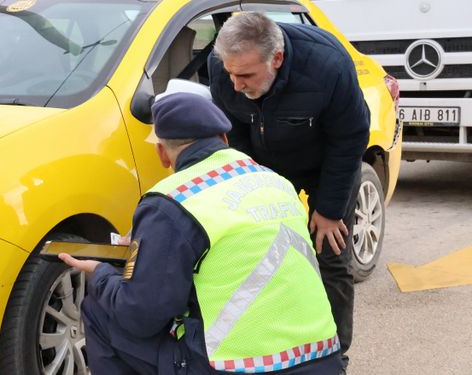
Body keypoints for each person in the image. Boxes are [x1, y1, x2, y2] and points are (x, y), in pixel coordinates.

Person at [59, 92, 343, 374]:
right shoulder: (276, 181)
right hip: (323, 359)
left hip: (242, 368)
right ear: (224, 140)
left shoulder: (172, 200)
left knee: (99, 310)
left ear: (162, 154)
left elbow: (140, 315)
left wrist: (101, 274)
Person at [207, 12, 370, 373]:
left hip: (325, 164)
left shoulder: (327, 65)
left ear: (276, 59)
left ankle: (334, 354)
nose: (235, 84)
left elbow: (351, 137)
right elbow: (233, 132)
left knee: (330, 257)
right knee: (263, 254)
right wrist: (255, 188)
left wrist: (327, 210)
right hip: (266, 166)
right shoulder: (225, 68)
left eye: (246, 75)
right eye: (230, 74)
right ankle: (278, 343)